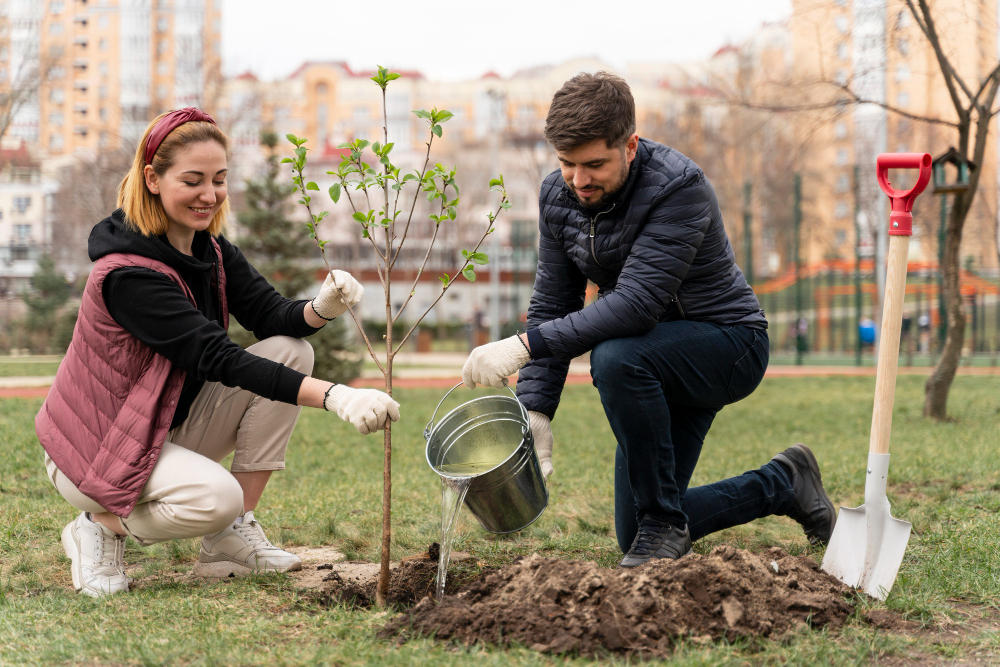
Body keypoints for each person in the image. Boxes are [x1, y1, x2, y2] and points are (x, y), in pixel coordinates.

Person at [461, 73, 836, 567]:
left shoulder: (679, 187)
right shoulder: (559, 196)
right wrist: (536, 408)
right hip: (653, 360)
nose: (579, 180)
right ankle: (785, 483)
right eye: (567, 164)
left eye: (594, 164)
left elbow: (637, 303)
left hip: (727, 345)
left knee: (615, 358)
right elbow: (555, 300)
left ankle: (665, 522)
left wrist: (524, 346)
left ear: (631, 145)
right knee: (633, 531)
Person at [36, 108, 400, 597]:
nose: (209, 195)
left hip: (161, 426)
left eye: (219, 180)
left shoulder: (210, 250)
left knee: (290, 351)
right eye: (193, 180)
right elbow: (219, 359)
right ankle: (97, 527)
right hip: (97, 449)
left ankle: (228, 539)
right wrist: (336, 397)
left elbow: (272, 317)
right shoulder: (128, 275)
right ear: (153, 179)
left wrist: (320, 307)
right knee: (215, 498)